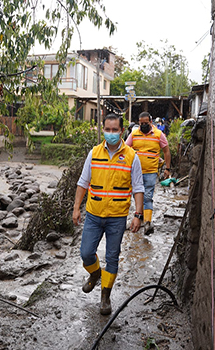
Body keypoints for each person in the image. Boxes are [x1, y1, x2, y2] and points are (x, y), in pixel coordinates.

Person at [73, 113, 144, 315]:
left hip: (117, 217)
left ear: (122, 131)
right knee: (86, 253)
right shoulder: (94, 153)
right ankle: (95, 274)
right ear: (103, 129)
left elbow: (138, 188)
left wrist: (138, 215)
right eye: (107, 129)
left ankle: (105, 296)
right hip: (94, 214)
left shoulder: (132, 157)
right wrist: (76, 207)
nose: (111, 133)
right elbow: (83, 182)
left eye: (115, 130)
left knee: (112, 258)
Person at [125, 112, 171, 235]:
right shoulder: (133, 134)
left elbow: (166, 151)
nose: (144, 125)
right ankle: (139, 217)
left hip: (151, 171)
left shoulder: (159, 135)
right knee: (137, 195)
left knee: (148, 196)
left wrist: (167, 168)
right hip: (135, 172)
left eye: (146, 123)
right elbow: (125, 149)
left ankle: (147, 222)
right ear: (138, 123)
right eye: (141, 123)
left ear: (151, 122)